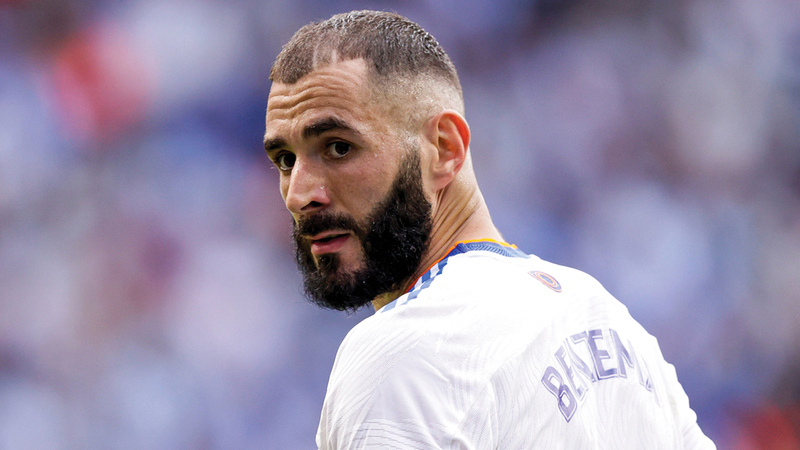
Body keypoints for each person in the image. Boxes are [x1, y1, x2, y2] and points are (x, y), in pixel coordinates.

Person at [264, 10, 715, 449]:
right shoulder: (613, 324)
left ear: (444, 148)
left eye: (339, 148)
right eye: (285, 159)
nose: (298, 194)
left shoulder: (405, 353)